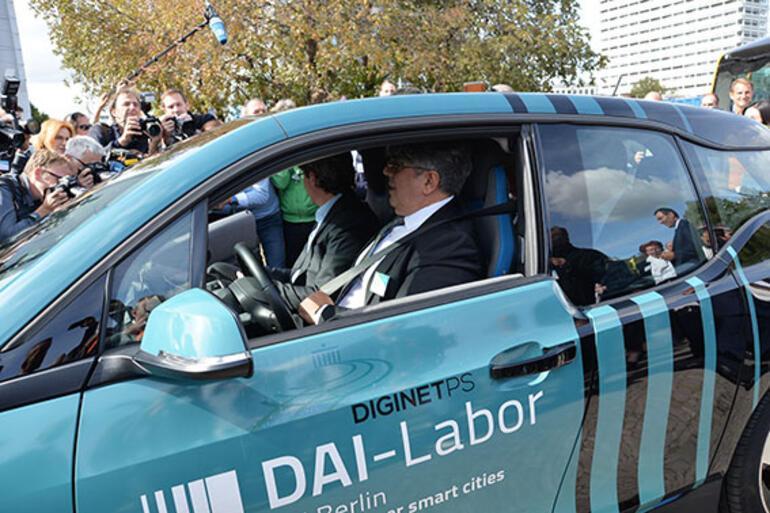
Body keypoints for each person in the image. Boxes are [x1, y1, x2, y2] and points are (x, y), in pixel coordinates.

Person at [299, 142, 483, 324]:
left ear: (429, 181)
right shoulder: (400, 221)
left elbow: (404, 328)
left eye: (396, 166)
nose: (386, 172)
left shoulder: (449, 247)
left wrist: (324, 313)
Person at [269, 153, 378, 309]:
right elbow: (299, 274)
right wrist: (266, 275)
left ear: (312, 178)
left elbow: (323, 295)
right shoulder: (331, 212)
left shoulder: (349, 224)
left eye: (302, 176)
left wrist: (265, 290)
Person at [0, 149, 73, 243]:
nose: (59, 184)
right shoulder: (4, 190)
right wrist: (44, 210)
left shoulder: (40, 195)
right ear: (38, 173)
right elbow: (7, 237)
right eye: (58, 178)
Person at [222, 179, 286, 268]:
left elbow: (262, 195)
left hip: (268, 218)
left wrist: (231, 200)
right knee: (249, 266)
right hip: (240, 220)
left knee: (277, 265)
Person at [87, 87, 162, 156]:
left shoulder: (146, 132)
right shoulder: (101, 132)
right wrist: (121, 141)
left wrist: (155, 144)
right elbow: (93, 158)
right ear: (114, 112)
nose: (132, 108)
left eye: (136, 104)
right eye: (126, 104)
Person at [550, 226, 609, 306]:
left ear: (567, 238)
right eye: (552, 238)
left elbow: (611, 284)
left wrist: (566, 265)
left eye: (557, 237)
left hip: (589, 309)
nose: (555, 240)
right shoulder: (543, 264)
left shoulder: (590, 257)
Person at [271, 165, 318, 266]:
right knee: (294, 262)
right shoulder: (283, 158)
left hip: (314, 217)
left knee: (316, 259)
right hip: (290, 221)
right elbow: (281, 183)